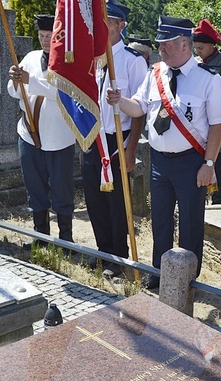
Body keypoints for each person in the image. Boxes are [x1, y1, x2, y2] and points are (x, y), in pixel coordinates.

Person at [107, 16, 221, 289]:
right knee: (160, 219)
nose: (161, 49)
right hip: (159, 161)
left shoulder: (208, 79)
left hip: (191, 161)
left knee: (190, 223)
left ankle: (186, 279)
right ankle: (159, 273)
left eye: (167, 44)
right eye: (160, 44)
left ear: (185, 44)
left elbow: (218, 123)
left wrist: (209, 163)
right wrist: (120, 101)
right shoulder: (155, 73)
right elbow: (139, 107)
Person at [81, 0, 146, 278]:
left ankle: (118, 258)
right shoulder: (92, 58)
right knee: (94, 200)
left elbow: (141, 110)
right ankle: (102, 251)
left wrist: (131, 150)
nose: (104, 26)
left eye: (109, 22)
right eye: (101, 21)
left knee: (117, 202)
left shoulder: (132, 61)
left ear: (121, 25)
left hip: (118, 139)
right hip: (93, 137)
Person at [7, 14, 76, 250]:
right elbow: (14, 92)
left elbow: (64, 93)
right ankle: (40, 234)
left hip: (59, 135)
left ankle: (66, 237)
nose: (46, 40)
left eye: (50, 36)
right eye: (42, 36)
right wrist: (16, 80)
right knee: (34, 185)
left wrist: (30, 80)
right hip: (29, 133)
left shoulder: (68, 60)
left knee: (62, 187)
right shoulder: (30, 58)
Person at [192, 19, 221, 205]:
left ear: (212, 45)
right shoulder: (193, 62)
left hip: (218, 120)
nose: (198, 52)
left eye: (201, 48)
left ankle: (218, 199)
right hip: (196, 120)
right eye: (196, 47)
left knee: (217, 159)